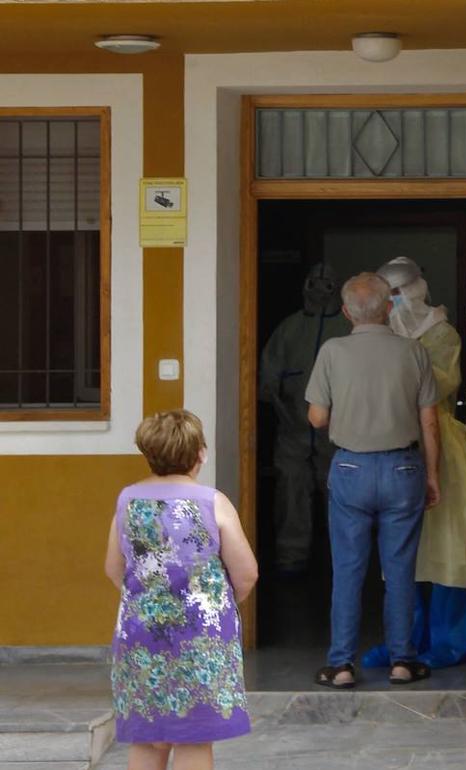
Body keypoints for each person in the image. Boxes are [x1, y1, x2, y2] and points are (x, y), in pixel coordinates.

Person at [305, 272, 442, 688]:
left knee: (348, 569)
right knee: (399, 569)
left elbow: (318, 417)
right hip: (403, 469)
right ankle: (403, 660)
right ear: (389, 308)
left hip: (350, 470)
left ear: (346, 312)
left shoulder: (332, 351)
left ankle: (342, 664)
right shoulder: (413, 351)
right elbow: (430, 421)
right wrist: (433, 476)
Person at [360, 256, 466, 671]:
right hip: (393, 444)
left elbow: (438, 384)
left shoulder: (442, 334)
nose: (396, 304)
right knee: (402, 552)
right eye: (389, 297)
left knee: (448, 549)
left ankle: (448, 643)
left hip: (442, 449)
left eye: (399, 294)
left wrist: (399, 355)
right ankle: (405, 642)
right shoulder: (376, 337)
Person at [105, 410, 258, 770]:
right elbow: (247, 573)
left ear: (149, 453)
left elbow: (114, 568)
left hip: (141, 634)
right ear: (200, 453)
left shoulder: (127, 501)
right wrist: (219, 606)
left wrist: (147, 600)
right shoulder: (212, 502)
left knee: (148, 737)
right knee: (192, 736)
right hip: (200, 636)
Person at [258, 262, 350, 576]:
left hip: (339, 435)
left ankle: (342, 557)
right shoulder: (289, 329)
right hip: (293, 430)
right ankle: (291, 554)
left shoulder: (348, 330)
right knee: (291, 493)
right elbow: (267, 380)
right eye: (314, 282)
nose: (319, 290)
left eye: (327, 284)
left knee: (340, 494)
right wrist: (276, 399)